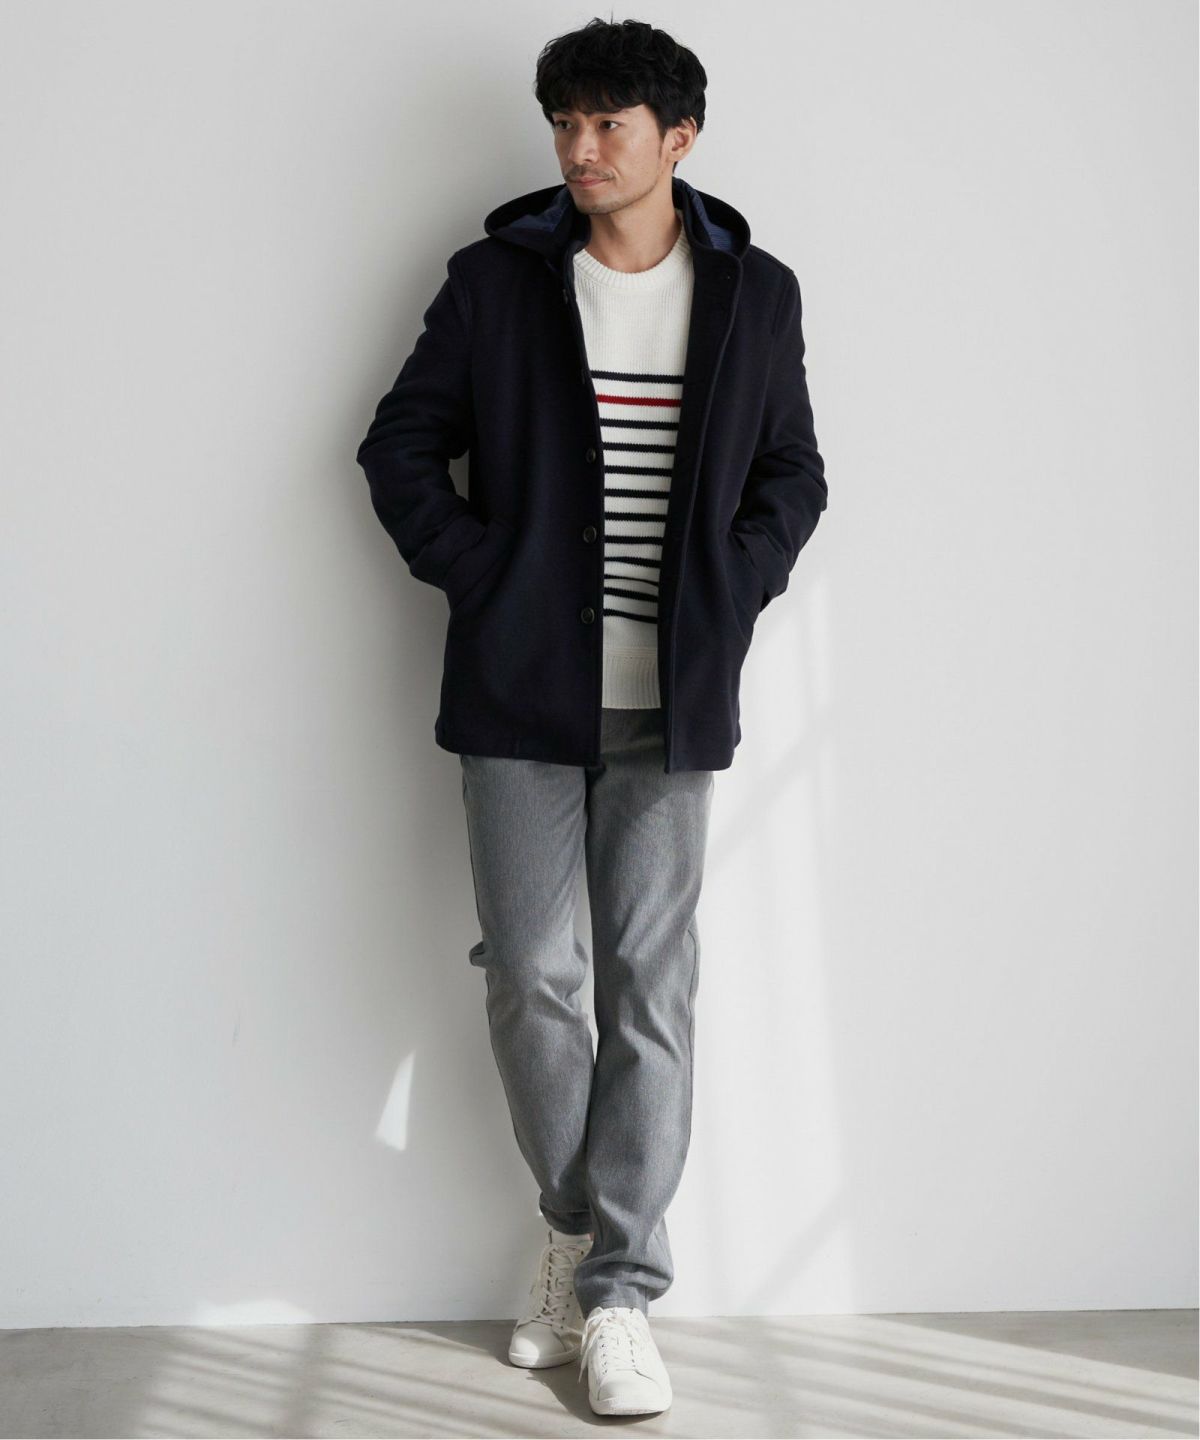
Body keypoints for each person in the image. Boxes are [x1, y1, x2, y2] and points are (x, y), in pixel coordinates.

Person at [355, 17, 827, 1418]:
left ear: (678, 137)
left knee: (650, 987)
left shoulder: (756, 294)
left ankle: (617, 1294)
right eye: (563, 122)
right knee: (532, 974)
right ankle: (577, 1230)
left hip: (672, 698)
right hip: (520, 690)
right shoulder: (497, 280)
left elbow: (794, 473)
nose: (577, 148)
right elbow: (396, 443)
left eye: (607, 124)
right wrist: (484, 576)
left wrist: (733, 590)